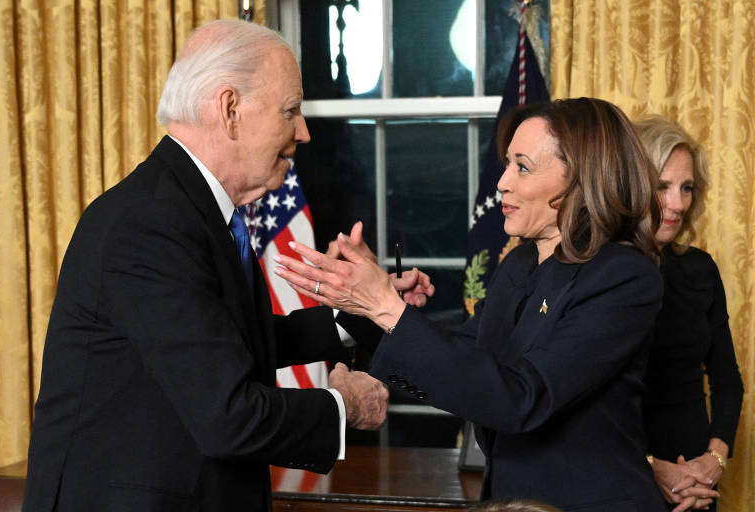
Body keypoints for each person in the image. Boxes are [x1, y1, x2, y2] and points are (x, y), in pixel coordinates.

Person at [21, 19, 432, 512]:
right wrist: (342, 407)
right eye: (291, 110)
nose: (303, 132)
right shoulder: (150, 223)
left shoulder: (189, 209)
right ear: (230, 110)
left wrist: (360, 310)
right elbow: (228, 416)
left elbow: (225, 343)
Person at [274, 98, 668, 511]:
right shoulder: (518, 263)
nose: (502, 183)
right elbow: (466, 359)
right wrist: (365, 305)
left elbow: (522, 398)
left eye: (523, 166)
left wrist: (387, 307)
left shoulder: (623, 277)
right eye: (507, 164)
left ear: (581, 180)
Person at [635, 116, 744, 512]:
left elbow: (728, 381)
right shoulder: (601, 271)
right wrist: (652, 469)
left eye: (686, 188)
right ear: (631, 183)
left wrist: (713, 461)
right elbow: (590, 407)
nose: (678, 204)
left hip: (697, 486)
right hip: (626, 476)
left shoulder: (700, 268)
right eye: (662, 187)